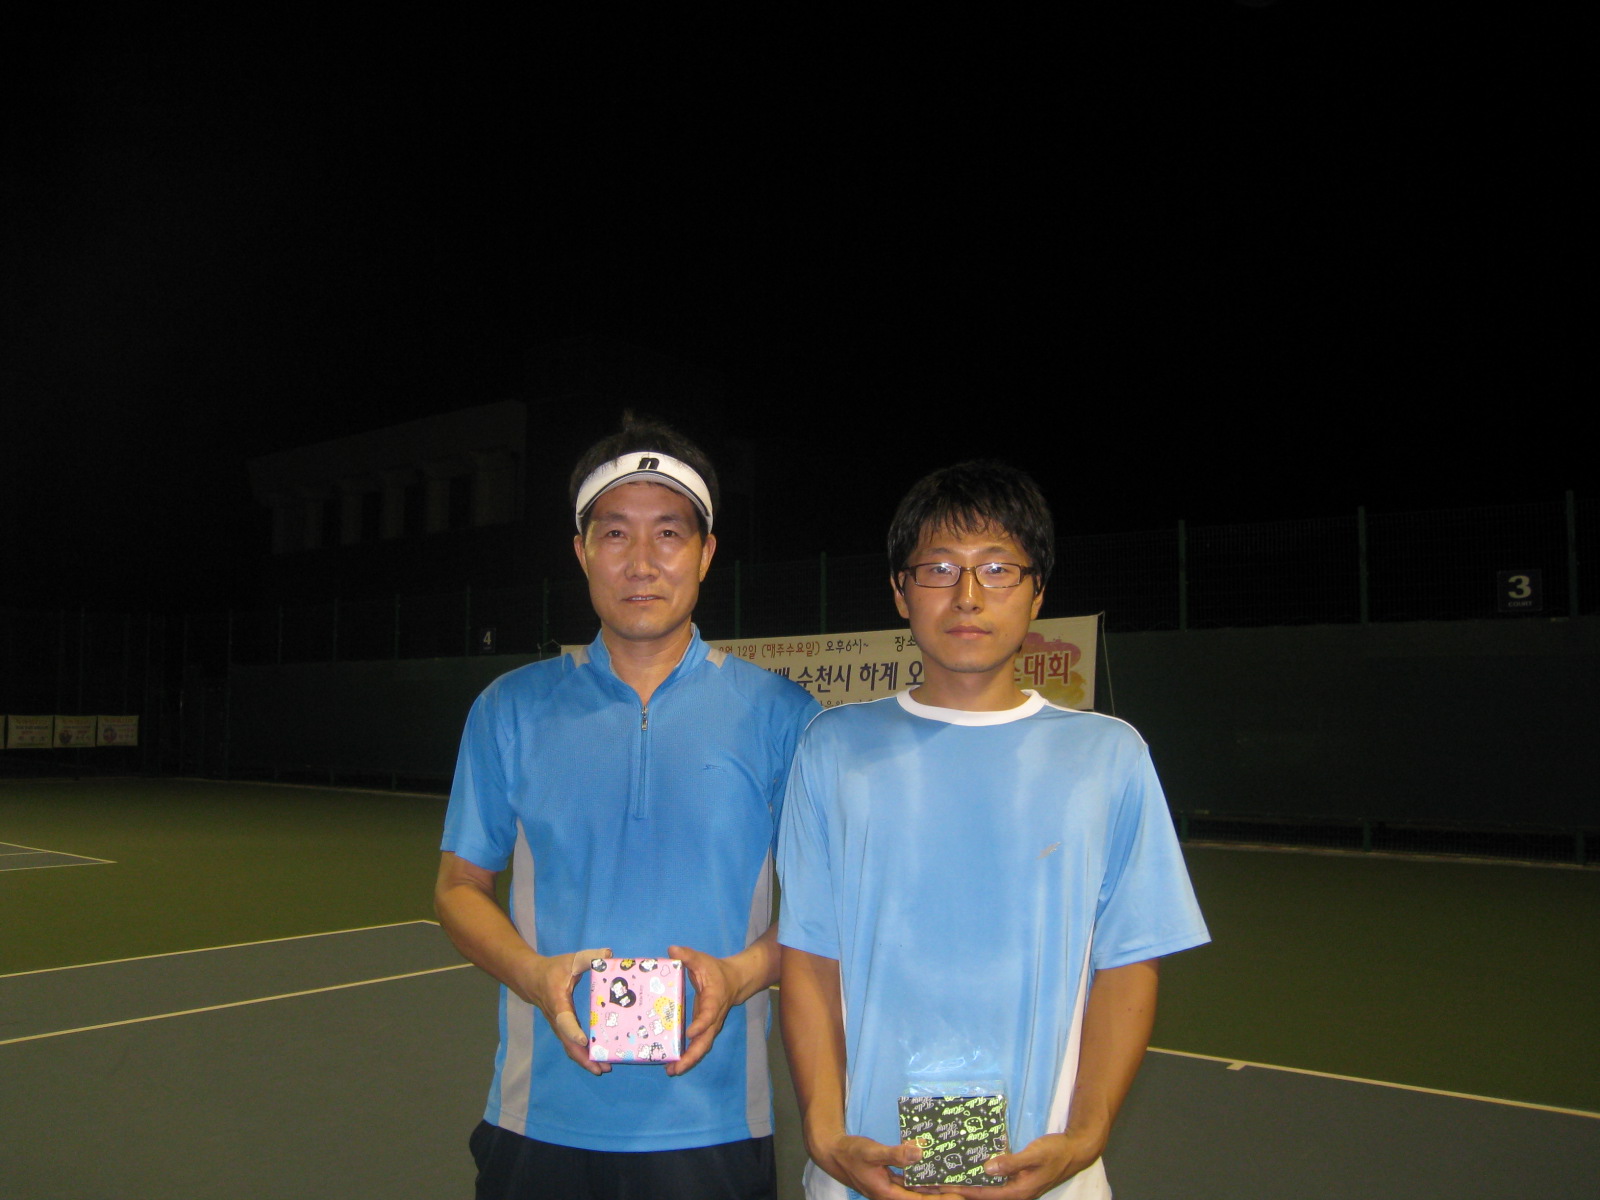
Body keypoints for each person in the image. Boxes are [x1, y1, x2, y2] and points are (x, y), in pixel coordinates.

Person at [776, 461, 1210, 1200]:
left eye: (998, 569)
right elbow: (811, 955)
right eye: (939, 568)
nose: (968, 595)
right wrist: (824, 1134)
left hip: (1050, 1175)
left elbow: (1129, 960)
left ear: (1037, 590)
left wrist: (1086, 1136)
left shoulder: (1108, 756)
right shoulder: (832, 749)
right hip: (861, 1170)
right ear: (900, 590)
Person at [436, 415, 820, 1200]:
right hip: (538, 1119)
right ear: (582, 551)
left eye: (669, 533)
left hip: (715, 1126)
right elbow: (458, 887)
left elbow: (825, 910)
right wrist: (534, 975)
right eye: (615, 533)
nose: (641, 562)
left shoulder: (782, 716)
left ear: (705, 553)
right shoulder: (510, 709)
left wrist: (739, 975)